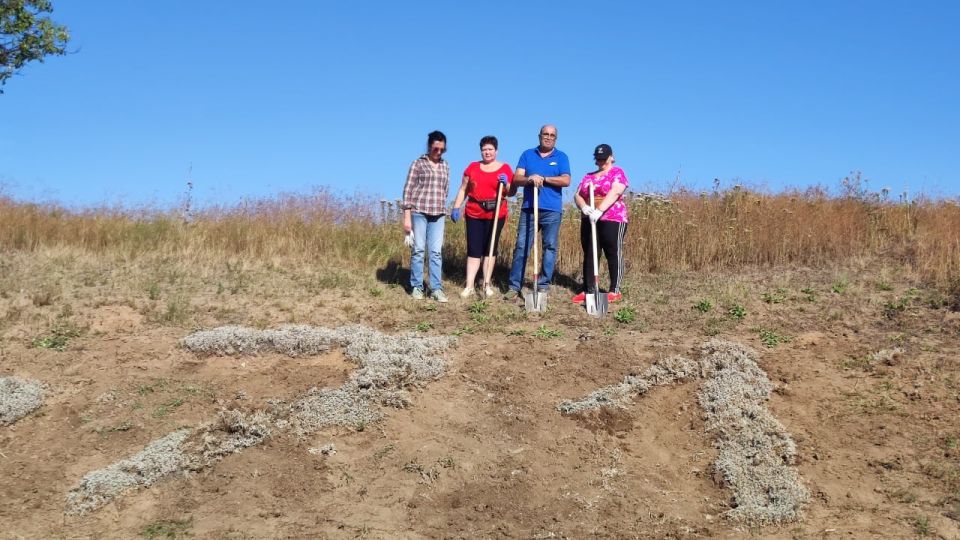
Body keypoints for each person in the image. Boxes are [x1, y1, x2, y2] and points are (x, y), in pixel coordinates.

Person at [504, 124, 571, 300]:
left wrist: (545, 179)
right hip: (529, 208)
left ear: (555, 138)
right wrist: (530, 178)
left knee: (549, 246)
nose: (548, 137)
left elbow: (566, 180)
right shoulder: (527, 154)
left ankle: (542, 285)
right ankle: (514, 286)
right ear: (539, 136)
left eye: (552, 135)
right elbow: (516, 178)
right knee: (521, 246)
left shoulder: (561, 157)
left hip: (552, 210)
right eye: (545, 134)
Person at [450, 136, 513, 298]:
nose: (487, 152)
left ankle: (486, 284)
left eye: (490, 149)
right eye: (484, 149)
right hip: (474, 212)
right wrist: (456, 206)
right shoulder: (472, 167)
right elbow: (463, 189)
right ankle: (470, 285)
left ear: (496, 151)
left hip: (496, 213)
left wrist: (506, 183)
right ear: (481, 151)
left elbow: (511, 192)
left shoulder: (504, 168)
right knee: (474, 249)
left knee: (490, 249)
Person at [572, 143, 629, 304]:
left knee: (612, 251)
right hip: (590, 219)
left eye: (604, 159)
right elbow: (578, 195)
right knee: (590, 253)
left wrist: (600, 210)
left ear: (611, 157)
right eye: (598, 159)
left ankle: (614, 290)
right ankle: (589, 289)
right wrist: (584, 207)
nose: (601, 162)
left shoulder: (617, 172)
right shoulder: (588, 176)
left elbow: (616, 191)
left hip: (612, 217)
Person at [402, 130, 450, 302]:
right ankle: (417, 286)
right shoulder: (418, 163)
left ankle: (436, 288)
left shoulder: (445, 166)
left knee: (436, 252)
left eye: (442, 149)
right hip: (419, 212)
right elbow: (407, 191)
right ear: (430, 146)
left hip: (438, 214)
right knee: (419, 250)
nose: (439, 152)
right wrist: (407, 217)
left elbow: (445, 190)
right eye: (436, 149)